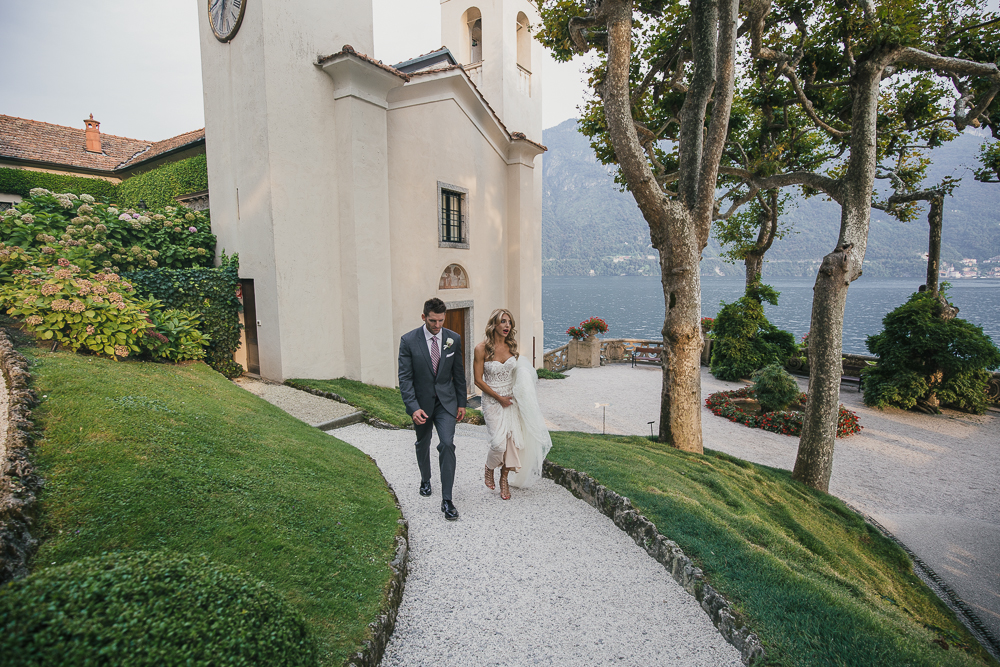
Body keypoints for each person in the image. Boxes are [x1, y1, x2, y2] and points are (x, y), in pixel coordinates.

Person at [398, 298, 467, 521]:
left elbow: (459, 373)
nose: (437, 325)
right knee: (422, 443)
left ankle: (447, 500)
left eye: (440, 320)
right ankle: (425, 479)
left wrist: (462, 403)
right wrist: (412, 407)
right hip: (421, 405)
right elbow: (405, 378)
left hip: (446, 403)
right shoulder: (408, 341)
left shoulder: (453, 339)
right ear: (423, 317)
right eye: (432, 320)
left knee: (447, 444)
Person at [473, 308, 552, 500]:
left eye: (509, 322)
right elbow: (477, 380)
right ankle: (489, 467)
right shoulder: (481, 348)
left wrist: (523, 389)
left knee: (514, 443)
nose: (507, 325)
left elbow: (518, 371)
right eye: (503, 321)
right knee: (498, 444)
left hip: (512, 400)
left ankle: (504, 480)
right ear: (494, 324)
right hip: (493, 400)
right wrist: (499, 398)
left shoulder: (512, 345)